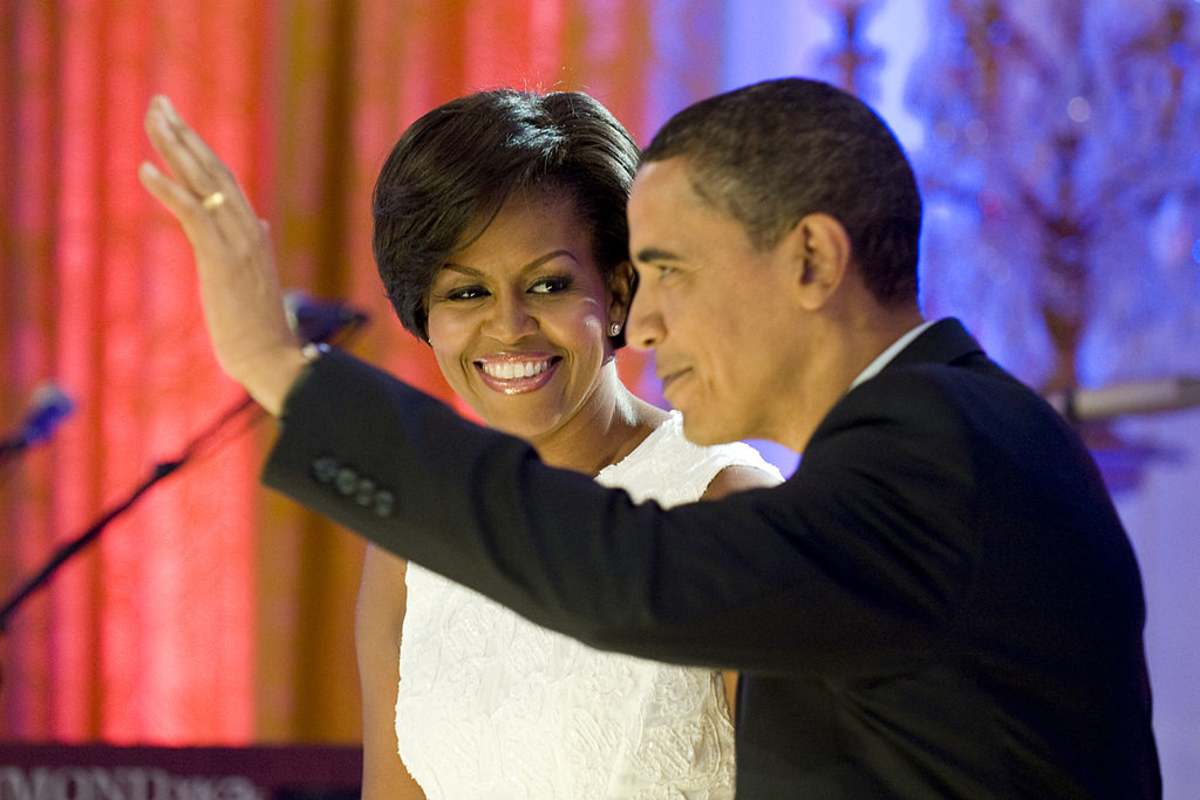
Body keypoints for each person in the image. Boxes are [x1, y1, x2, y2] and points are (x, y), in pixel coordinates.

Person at [143, 77, 1161, 798]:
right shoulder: (949, 426)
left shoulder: (937, 448)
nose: (650, 317)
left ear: (810, 257)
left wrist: (285, 371)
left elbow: (633, 571)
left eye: (669, 269)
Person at [140, 89, 781, 799]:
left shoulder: (726, 505)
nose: (509, 328)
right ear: (424, 312)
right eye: (466, 294)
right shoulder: (410, 542)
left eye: (547, 284)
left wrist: (272, 358)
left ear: (621, 290)